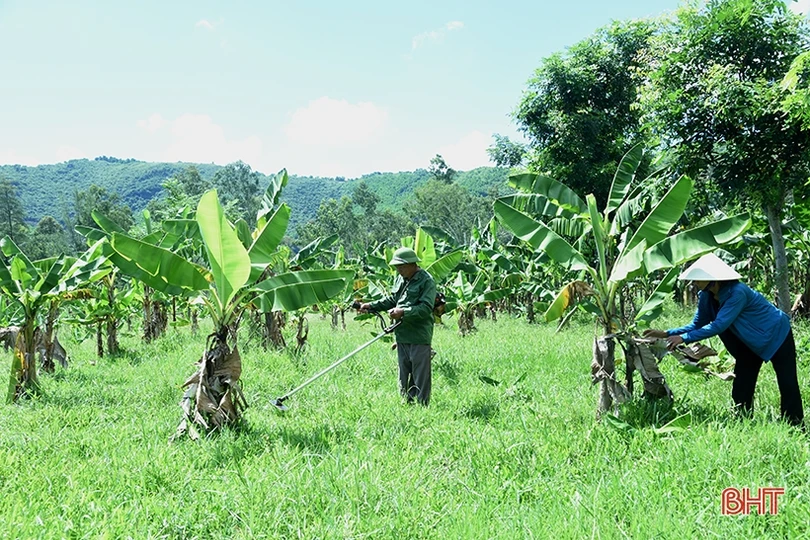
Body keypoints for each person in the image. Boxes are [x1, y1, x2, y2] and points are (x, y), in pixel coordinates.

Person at [644, 252, 804, 427]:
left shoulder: (737, 293)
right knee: (742, 383)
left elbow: (719, 325)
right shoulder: (706, 295)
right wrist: (666, 333)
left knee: (787, 381)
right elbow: (698, 323)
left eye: (698, 279)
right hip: (749, 342)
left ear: (713, 278)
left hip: (776, 334)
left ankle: (794, 424)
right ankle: (742, 421)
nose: (694, 283)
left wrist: (683, 338)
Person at [360, 247, 436, 406]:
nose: (399, 270)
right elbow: (392, 300)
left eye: (401, 267)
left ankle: (423, 405)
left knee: (420, 373)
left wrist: (403, 312)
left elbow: (425, 308)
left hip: (419, 335)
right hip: (402, 334)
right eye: (397, 267)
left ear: (412, 264)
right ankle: (406, 403)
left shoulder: (426, 281)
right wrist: (371, 306)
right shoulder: (401, 279)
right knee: (404, 372)